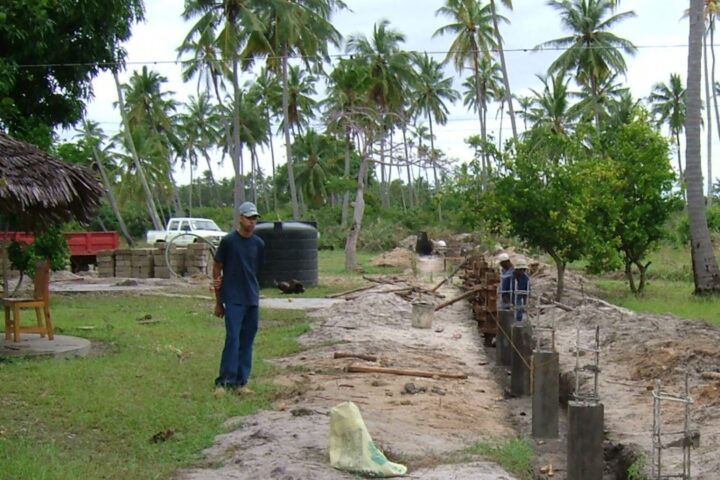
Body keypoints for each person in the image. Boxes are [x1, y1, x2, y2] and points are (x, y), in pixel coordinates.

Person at [212, 201, 265, 396]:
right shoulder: (228, 242)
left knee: (247, 339)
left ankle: (242, 382)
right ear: (240, 218)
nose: (252, 222)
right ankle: (225, 381)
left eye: (254, 219)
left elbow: (256, 270)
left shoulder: (258, 244)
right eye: (249, 218)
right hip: (233, 297)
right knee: (233, 338)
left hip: (251, 297)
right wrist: (218, 301)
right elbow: (217, 267)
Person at [512, 257, 531, 321]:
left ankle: (518, 322)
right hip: (510, 296)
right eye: (520, 269)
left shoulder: (526, 278)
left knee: (519, 308)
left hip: (518, 297)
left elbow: (527, 291)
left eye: (523, 269)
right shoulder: (511, 276)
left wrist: (525, 303)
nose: (522, 271)